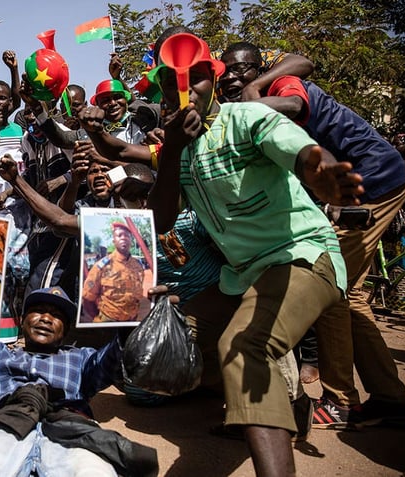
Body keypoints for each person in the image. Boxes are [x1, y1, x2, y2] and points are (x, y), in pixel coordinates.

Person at [146, 32, 363, 477]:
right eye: (171, 83)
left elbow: (298, 150)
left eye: (195, 80)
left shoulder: (245, 118)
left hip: (301, 257)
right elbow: (161, 220)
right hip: (241, 276)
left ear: (213, 77)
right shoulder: (179, 145)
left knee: (244, 348)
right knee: (178, 329)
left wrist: (319, 174)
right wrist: (172, 152)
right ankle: (279, 406)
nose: (184, 91)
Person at [219, 41, 405, 429]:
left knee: (329, 286)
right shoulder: (264, 89)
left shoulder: (282, 86)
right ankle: (390, 398)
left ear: (261, 68)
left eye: (244, 70)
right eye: (229, 72)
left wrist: (237, 107)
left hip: (369, 181)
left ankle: (341, 400)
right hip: (360, 185)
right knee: (353, 294)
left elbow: (293, 104)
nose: (235, 77)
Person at [0, 286, 159, 477]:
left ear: (65, 331)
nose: (46, 318)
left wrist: (137, 317)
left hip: (72, 431)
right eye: (38, 311)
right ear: (22, 321)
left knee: (92, 471)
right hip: (2, 425)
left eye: (56, 315)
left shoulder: (82, 358)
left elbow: (113, 359)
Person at [81, 221, 148, 323]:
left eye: (127, 236)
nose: (124, 238)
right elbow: (88, 298)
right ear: (114, 241)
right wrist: (97, 319)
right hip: (108, 319)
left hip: (132, 320)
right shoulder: (101, 266)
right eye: (119, 235)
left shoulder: (138, 266)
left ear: (131, 241)